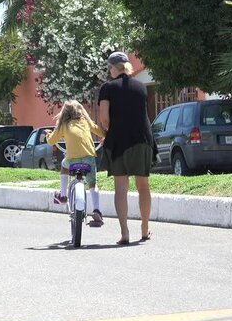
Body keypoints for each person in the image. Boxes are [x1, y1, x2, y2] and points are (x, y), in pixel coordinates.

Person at [98, 51, 158, 245]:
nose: (109, 71)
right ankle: (145, 228)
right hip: (143, 138)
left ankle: (124, 232)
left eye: (110, 67)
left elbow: (105, 118)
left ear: (115, 67)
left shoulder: (107, 88)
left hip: (120, 141)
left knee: (121, 188)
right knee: (143, 185)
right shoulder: (141, 87)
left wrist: (108, 130)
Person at [44, 100, 107, 226]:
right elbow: (99, 131)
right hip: (89, 158)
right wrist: (105, 137)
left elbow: (51, 142)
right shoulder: (85, 122)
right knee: (92, 184)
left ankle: (62, 195)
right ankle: (96, 210)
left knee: (63, 165)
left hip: (71, 159)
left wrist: (48, 134)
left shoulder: (64, 125)